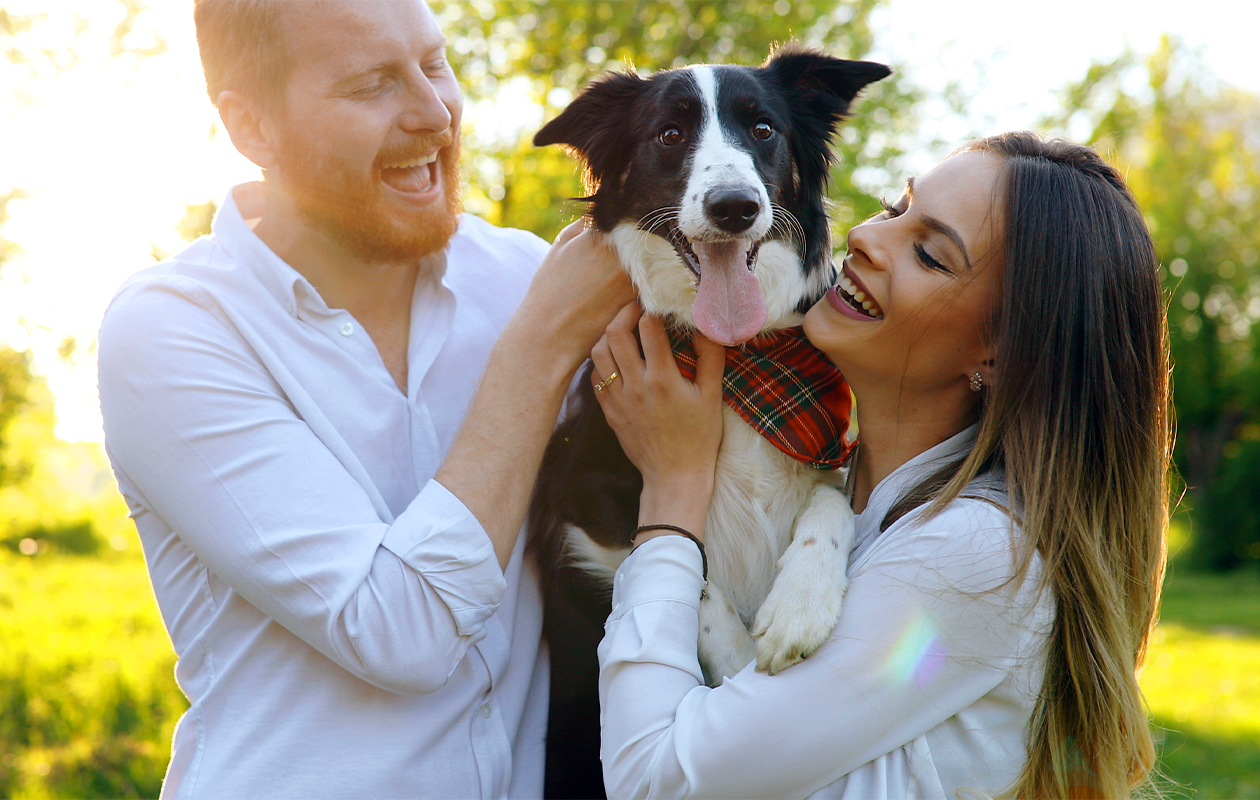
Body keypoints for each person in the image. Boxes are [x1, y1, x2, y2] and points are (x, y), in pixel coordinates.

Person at [96, 0, 632, 797]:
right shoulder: (173, 330)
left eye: (435, 64)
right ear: (252, 127)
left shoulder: (525, 275)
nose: (434, 113)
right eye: (372, 83)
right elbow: (397, 632)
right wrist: (541, 348)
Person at [587, 132, 1169, 800]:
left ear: (998, 353)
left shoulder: (974, 555)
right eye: (896, 207)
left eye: (928, 253)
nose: (865, 235)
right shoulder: (853, 501)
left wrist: (672, 491)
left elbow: (655, 780)